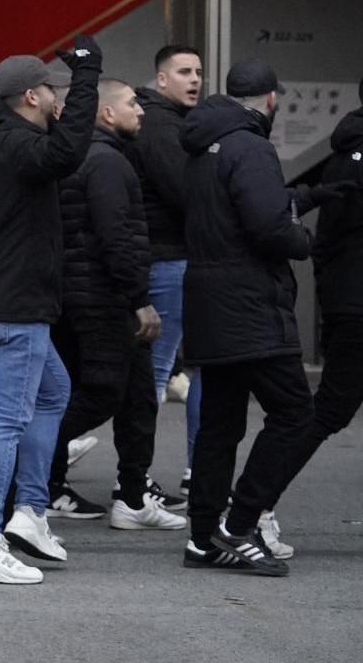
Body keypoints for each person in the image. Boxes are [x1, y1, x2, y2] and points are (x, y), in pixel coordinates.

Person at [0, 39, 102, 585]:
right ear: (33, 96)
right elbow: (66, 154)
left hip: (3, 300)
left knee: (53, 393)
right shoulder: (14, 144)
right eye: (54, 92)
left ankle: (32, 512)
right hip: (17, 305)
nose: (59, 101)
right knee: (5, 420)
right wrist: (87, 75)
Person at [180, 59, 341, 576]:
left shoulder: (206, 144)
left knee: (220, 425)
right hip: (250, 304)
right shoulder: (251, 146)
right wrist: (305, 240)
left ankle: (203, 538)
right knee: (296, 414)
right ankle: (239, 523)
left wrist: (302, 196)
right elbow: (268, 227)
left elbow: (235, 210)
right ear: (271, 99)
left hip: (209, 301)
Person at [42, 80, 182, 532]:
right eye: (132, 103)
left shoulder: (83, 157)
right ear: (105, 114)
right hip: (104, 299)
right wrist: (139, 300)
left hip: (86, 297)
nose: (141, 111)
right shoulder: (104, 161)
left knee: (138, 398)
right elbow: (115, 236)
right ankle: (32, 462)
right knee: (103, 392)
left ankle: (134, 497)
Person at [270, 66, 363, 505]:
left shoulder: (347, 150)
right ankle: (248, 509)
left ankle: (248, 507)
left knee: (324, 413)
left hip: (356, 301)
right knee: (325, 414)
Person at [127, 44, 203, 501]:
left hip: (167, 257)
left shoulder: (164, 122)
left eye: (198, 72)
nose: (194, 79)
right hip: (167, 259)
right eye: (183, 72)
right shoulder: (160, 125)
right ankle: (135, 481)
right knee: (153, 376)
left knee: (156, 374)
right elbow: (184, 192)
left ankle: (138, 478)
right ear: (161, 79)